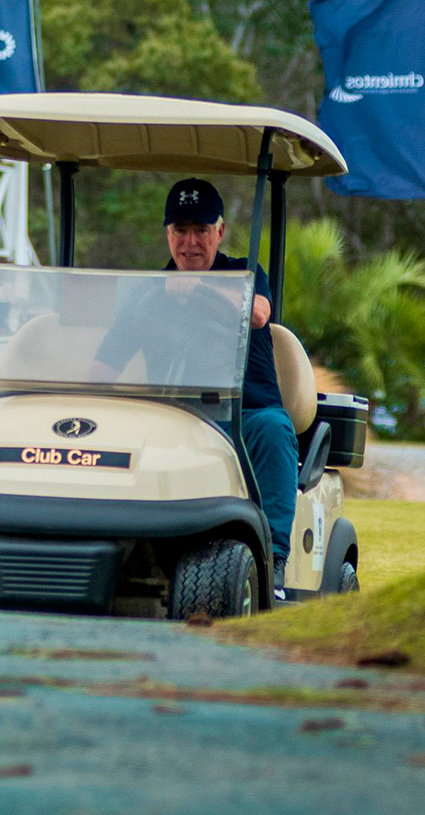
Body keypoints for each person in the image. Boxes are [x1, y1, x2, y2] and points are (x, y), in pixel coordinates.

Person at [141, 178, 299, 597]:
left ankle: (273, 559)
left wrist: (203, 289)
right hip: (175, 413)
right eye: (180, 230)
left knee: (272, 429)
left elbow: (260, 314)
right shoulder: (150, 290)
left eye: (201, 230)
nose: (190, 242)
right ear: (167, 234)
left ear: (220, 231)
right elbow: (108, 359)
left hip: (244, 413)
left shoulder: (244, 273)